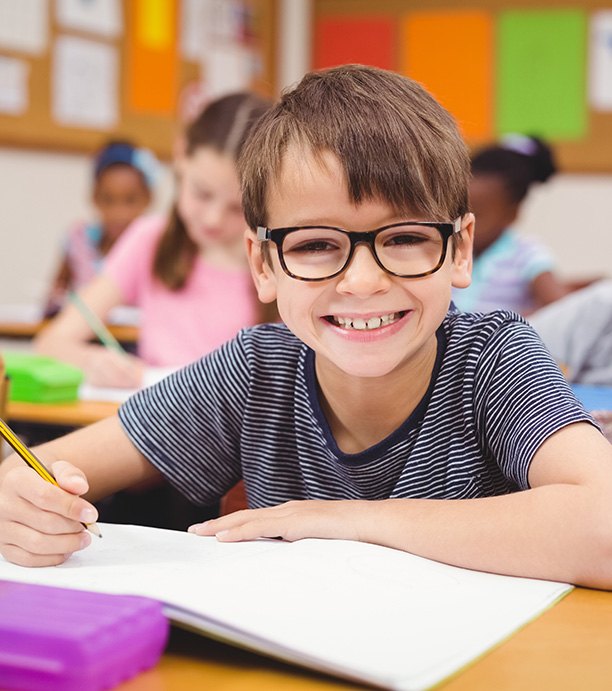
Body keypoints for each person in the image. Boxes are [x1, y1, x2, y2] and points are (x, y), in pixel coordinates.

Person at [2, 65, 612, 589]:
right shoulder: (255, 370)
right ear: (264, 265)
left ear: (460, 250)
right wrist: (22, 501)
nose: (364, 281)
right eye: (317, 245)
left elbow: (605, 525)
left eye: (405, 238)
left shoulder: (492, 358)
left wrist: (346, 520)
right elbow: (38, 469)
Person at [35, 93, 274, 389]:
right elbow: (52, 342)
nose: (213, 219)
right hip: (154, 425)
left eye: (237, 208)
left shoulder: (279, 262)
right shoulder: (149, 240)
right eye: (202, 193)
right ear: (180, 156)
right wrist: (93, 362)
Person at [452, 135, 569, 315]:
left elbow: (562, 309)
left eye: (479, 214)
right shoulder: (450, 248)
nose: (465, 222)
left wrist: (511, 323)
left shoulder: (526, 254)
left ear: (512, 214)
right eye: (459, 211)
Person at [44, 140, 158, 317]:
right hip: (81, 339)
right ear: (94, 197)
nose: (119, 213)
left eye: (130, 200)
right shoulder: (77, 241)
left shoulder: (156, 247)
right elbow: (54, 298)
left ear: (148, 198)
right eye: (108, 199)